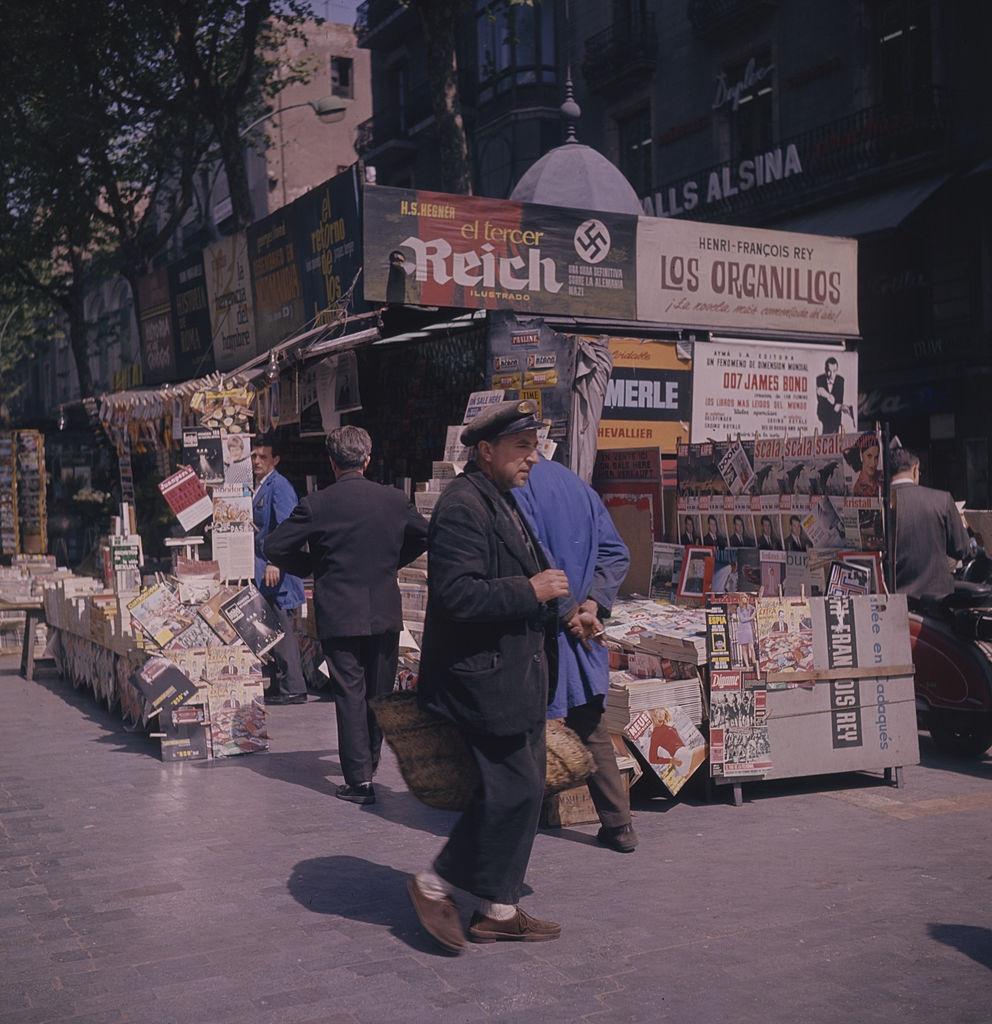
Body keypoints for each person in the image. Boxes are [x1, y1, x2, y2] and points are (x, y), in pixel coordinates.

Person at [410, 400, 570, 954]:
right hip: (482, 679)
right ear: (485, 451)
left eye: (534, 446)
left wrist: (571, 612)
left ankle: (497, 909)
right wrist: (531, 591)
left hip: (515, 677)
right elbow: (457, 595)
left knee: (523, 789)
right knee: (514, 788)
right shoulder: (461, 506)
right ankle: (434, 884)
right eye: (521, 448)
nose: (533, 459)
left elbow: (531, 580)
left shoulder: (500, 499)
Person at [265, 426, 429, 803]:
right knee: (379, 693)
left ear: (332, 461)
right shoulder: (393, 500)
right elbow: (425, 535)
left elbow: (275, 546)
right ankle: (368, 764)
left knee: (350, 693)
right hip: (384, 609)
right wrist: (391, 562)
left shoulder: (318, 504)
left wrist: (314, 566)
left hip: (339, 611)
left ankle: (359, 779)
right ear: (367, 459)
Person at [514, 456, 635, 854]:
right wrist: (592, 606)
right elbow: (616, 553)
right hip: (579, 628)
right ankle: (619, 825)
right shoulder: (577, 487)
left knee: (522, 727)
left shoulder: (519, 484)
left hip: (541, 628)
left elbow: (533, 554)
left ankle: (515, 824)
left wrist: (569, 611)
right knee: (589, 724)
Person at [250, 436, 308, 706]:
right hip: (262, 571)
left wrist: (277, 562)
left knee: (282, 629)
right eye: (253, 456)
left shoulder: (280, 486)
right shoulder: (259, 486)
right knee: (269, 629)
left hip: (275, 572)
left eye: (263, 457)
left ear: (275, 460)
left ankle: (293, 686)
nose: (257, 461)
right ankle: (280, 683)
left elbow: (286, 528)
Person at [890, 446, 969, 600]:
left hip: (892, 604)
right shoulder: (942, 500)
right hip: (936, 604)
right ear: (915, 469)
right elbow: (962, 549)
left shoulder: (876, 506)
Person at [815, 357, 847, 434]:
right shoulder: (820, 379)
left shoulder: (840, 380)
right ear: (825, 370)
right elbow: (821, 400)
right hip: (824, 415)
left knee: (834, 440)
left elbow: (837, 401)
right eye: (829, 371)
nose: (832, 375)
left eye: (834, 371)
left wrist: (826, 395)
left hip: (835, 418)